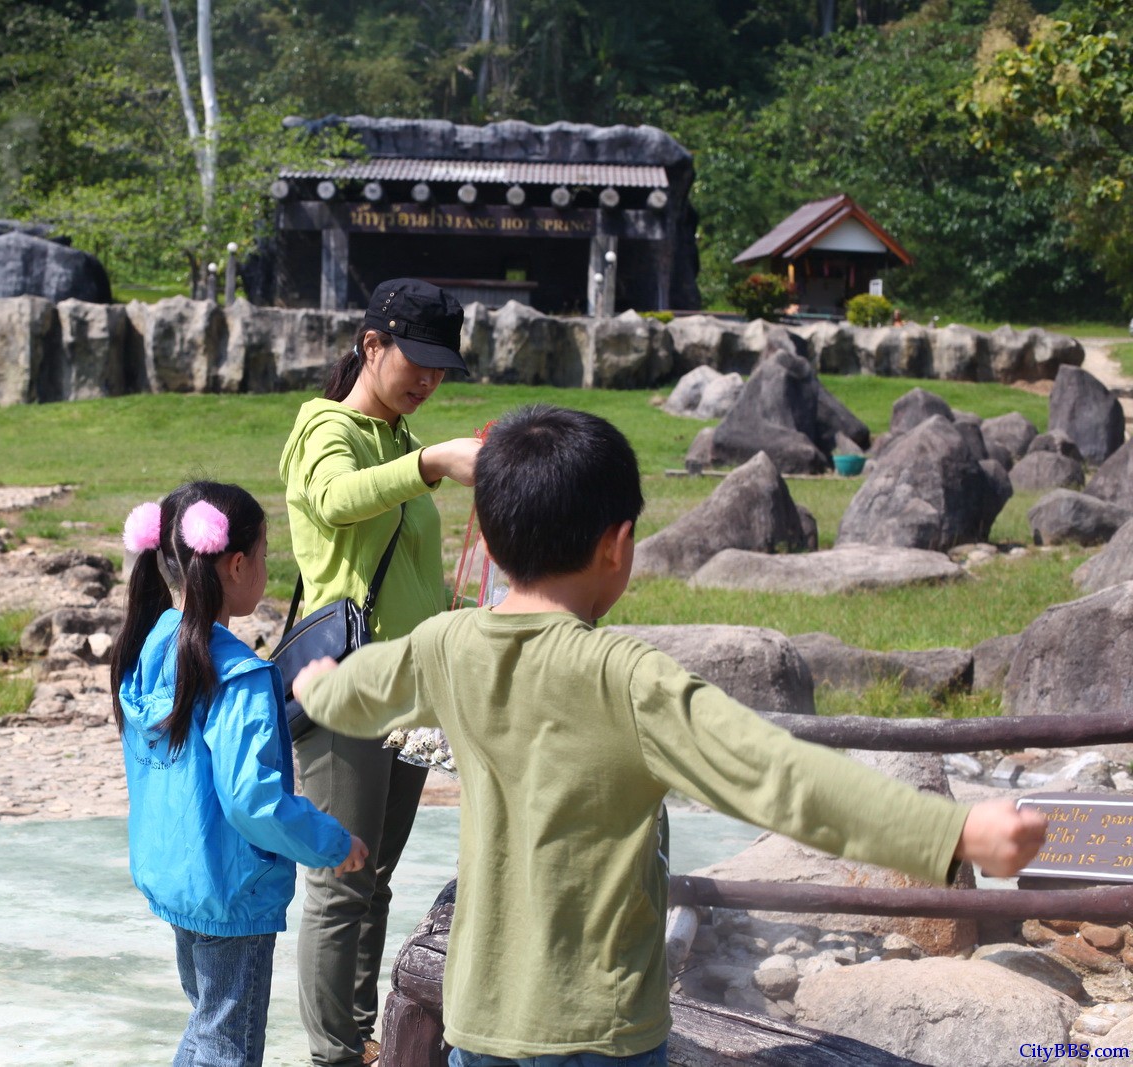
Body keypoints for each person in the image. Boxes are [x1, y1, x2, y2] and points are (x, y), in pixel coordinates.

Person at [292, 404, 1047, 1067]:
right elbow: (778, 777)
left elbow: (357, 692)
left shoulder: (445, 646)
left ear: (488, 535)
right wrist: (953, 832)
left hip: (480, 1024)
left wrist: (313, 682)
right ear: (617, 546)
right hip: (598, 1030)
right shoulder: (628, 679)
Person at [279, 278, 483, 1067]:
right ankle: (331, 1053)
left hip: (403, 691)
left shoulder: (400, 440)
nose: (427, 380)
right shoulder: (324, 427)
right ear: (372, 345)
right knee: (339, 878)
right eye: (416, 361)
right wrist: (432, 460)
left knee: (377, 876)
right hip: (343, 685)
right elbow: (333, 501)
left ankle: (360, 1034)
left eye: (441, 368)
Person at [110, 481, 369, 1067]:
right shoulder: (237, 673)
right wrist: (331, 842)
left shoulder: (146, 646)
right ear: (235, 562)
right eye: (265, 554)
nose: (266, 568)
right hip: (231, 892)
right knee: (228, 1044)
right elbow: (253, 800)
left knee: (209, 1025)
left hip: (176, 877)